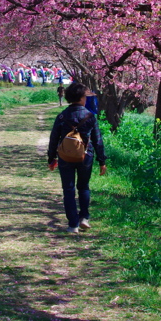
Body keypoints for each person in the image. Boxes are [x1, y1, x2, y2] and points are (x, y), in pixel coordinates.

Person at [47, 82, 107, 234]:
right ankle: (84, 218)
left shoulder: (61, 116)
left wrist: (51, 158)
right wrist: (102, 161)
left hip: (65, 157)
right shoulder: (90, 116)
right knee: (83, 187)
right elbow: (98, 140)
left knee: (68, 189)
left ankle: (73, 224)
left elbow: (54, 139)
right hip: (85, 156)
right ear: (81, 98)